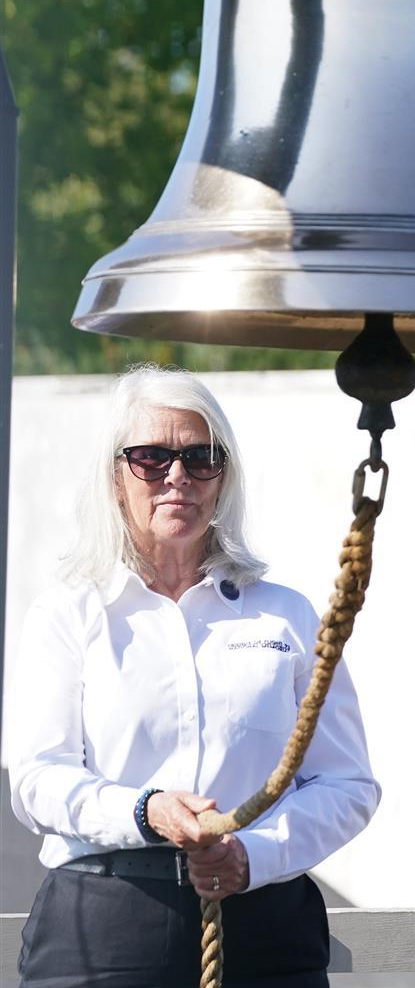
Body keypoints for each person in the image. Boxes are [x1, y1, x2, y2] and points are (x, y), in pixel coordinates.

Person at [4, 365, 380, 988]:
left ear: (222, 477)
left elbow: (348, 784)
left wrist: (252, 857)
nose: (176, 475)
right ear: (116, 479)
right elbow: (38, 782)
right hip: (105, 924)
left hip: (264, 925)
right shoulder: (69, 614)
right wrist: (147, 813)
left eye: (199, 457)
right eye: (151, 457)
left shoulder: (286, 614)